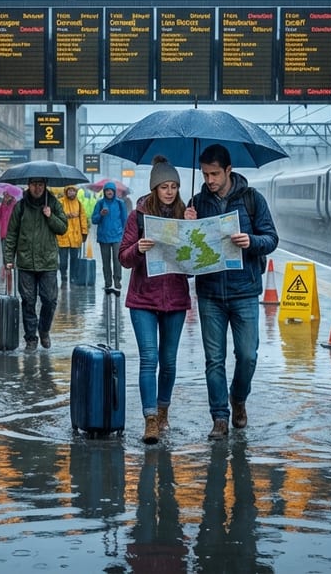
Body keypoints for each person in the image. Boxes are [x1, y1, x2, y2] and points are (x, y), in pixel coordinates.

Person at [184, 143, 278, 440]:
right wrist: (187, 227)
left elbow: (271, 238)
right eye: (204, 174)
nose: (209, 180)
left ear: (228, 170)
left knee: (247, 355)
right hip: (210, 293)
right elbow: (186, 255)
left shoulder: (252, 199)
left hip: (244, 291)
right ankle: (220, 418)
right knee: (214, 359)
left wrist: (251, 241)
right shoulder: (197, 202)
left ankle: (238, 397)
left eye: (214, 174)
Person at [119, 156, 190, 445]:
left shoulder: (187, 214)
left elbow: (194, 267)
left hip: (175, 298)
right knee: (149, 358)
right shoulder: (137, 216)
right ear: (154, 189)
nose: (170, 192)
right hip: (143, 298)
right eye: (164, 186)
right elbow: (124, 258)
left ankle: (163, 413)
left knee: (168, 361)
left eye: (174, 186)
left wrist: (193, 233)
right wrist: (138, 248)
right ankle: (150, 419)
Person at [3, 178, 67, 351]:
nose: (37, 188)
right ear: (29, 185)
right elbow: (12, 234)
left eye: (40, 185)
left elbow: (63, 228)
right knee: (28, 301)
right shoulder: (21, 206)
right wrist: (8, 259)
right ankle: (31, 338)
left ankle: (44, 330)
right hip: (26, 262)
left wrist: (50, 216)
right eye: (34, 185)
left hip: (48, 262)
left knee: (50, 300)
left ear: (45, 185)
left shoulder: (53, 204)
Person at [90, 181, 128, 289]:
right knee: (105, 261)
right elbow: (94, 220)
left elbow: (125, 220)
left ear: (114, 191)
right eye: (107, 190)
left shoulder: (120, 203)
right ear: (104, 192)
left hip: (117, 236)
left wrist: (125, 235)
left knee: (117, 260)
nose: (109, 192)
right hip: (104, 237)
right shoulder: (100, 203)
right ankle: (108, 282)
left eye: (111, 190)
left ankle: (117, 280)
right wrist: (101, 214)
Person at [55, 185, 88, 284]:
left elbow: (83, 219)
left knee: (74, 259)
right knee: (63, 260)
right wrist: (66, 215)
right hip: (63, 236)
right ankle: (63, 274)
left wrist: (84, 232)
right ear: (66, 192)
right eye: (69, 190)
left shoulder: (79, 204)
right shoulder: (60, 202)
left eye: (73, 191)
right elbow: (56, 215)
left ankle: (73, 276)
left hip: (75, 236)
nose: (71, 192)